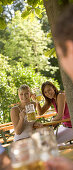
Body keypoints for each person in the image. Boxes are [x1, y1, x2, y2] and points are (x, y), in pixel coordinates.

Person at [45, 5, 73, 170]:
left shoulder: (61, 95)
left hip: (69, 126)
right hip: (66, 125)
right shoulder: (54, 100)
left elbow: (60, 115)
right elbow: (40, 112)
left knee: (48, 142)